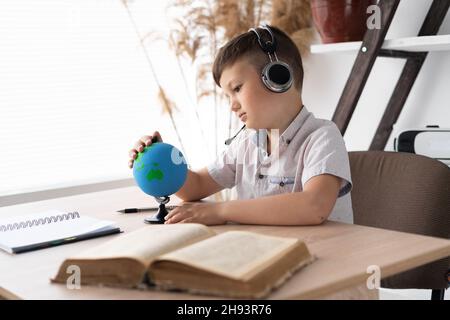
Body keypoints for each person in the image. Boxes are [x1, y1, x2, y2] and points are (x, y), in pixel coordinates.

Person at [128, 25, 353, 226]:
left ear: (277, 78)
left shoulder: (322, 137)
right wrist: (160, 160)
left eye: (236, 89)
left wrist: (221, 211)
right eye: (228, 95)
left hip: (321, 258)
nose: (232, 106)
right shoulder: (247, 143)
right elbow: (195, 187)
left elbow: (314, 207)